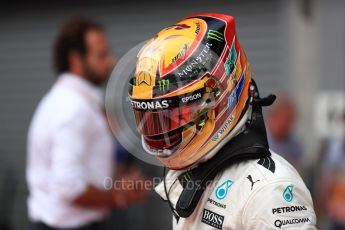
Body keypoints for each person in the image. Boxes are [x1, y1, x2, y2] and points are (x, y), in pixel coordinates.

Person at [127, 13, 316, 229]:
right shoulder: (194, 171)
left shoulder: (271, 188)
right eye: (153, 119)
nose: (162, 131)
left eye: (175, 114)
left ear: (219, 96)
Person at [27, 16, 146, 230]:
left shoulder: (75, 101)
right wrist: (119, 196)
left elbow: (90, 164)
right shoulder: (72, 109)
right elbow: (70, 187)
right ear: (76, 60)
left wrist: (121, 179)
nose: (111, 60)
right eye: (102, 54)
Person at [266, 95, 304, 172]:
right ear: (272, 117)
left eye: (290, 120)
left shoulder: (295, 147)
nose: (287, 124)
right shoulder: (259, 142)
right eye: (285, 118)